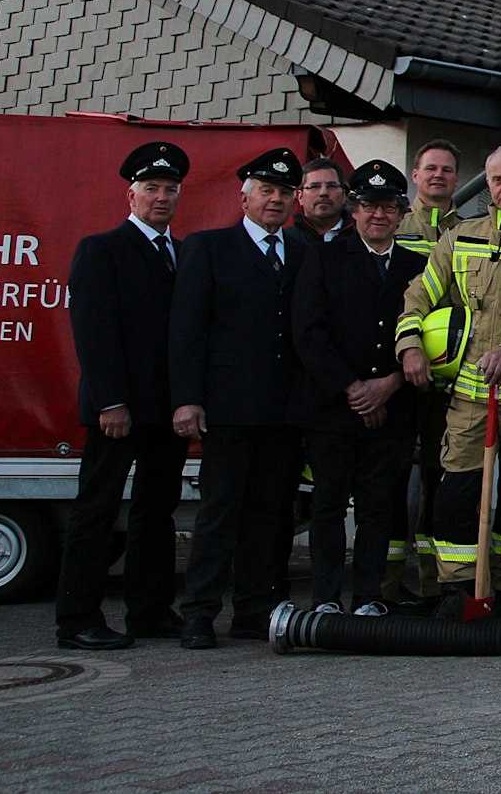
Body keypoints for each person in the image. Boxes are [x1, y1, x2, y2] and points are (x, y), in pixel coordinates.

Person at [396, 145, 501, 619]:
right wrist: (409, 345)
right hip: (468, 397)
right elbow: (418, 296)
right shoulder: (460, 237)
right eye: (496, 180)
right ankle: (457, 590)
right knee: (457, 493)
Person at [170, 147, 312, 648]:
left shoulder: (302, 251)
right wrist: (187, 399)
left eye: (283, 193)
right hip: (227, 408)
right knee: (218, 514)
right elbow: (187, 330)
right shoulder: (208, 249)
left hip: (282, 410)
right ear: (244, 196)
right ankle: (200, 613)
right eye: (266, 191)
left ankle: (253, 611)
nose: (275, 200)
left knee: (268, 514)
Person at [55, 142, 193, 650]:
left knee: (156, 514)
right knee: (96, 512)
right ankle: (77, 619)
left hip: (165, 411)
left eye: (170, 189)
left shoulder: (183, 253)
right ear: (130, 194)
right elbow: (94, 332)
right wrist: (111, 401)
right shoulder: (102, 249)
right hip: (120, 410)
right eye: (151, 188)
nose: (161, 198)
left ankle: (151, 611)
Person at [289, 160, 426, 615]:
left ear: (402, 213)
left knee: (377, 508)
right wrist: (352, 388)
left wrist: (387, 385)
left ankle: (369, 597)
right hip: (332, 409)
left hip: (392, 407)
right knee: (327, 506)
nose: (377, 215)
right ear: (354, 210)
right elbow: (308, 332)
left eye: (388, 207)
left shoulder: (418, 267)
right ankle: (326, 599)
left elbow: (423, 334)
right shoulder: (324, 258)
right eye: (368, 206)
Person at [388, 137, 463, 610]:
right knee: (393, 479)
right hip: (402, 373)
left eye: (447, 170)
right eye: (429, 169)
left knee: (442, 479)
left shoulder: (473, 230)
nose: (437, 176)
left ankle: (436, 586)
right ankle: (388, 587)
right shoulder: (393, 226)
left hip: (451, 380)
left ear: (457, 179)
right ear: (415, 175)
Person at [291, 158, 353, 243]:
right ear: (300, 197)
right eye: (314, 187)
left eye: (331, 186)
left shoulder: (363, 239)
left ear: (343, 195)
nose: (323, 193)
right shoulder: (286, 242)